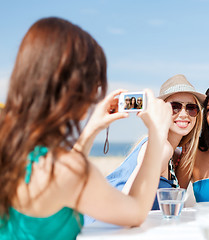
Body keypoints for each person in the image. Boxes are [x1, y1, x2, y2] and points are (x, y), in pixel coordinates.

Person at [0, 17, 173, 239]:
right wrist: (157, 134)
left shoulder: (13, 148)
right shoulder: (67, 171)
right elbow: (136, 211)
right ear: (77, 87)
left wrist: (90, 130)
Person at [83, 74, 204, 224]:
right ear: (160, 110)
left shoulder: (171, 153)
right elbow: (126, 206)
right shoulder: (162, 149)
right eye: (175, 107)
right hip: (106, 228)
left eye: (191, 108)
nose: (184, 114)